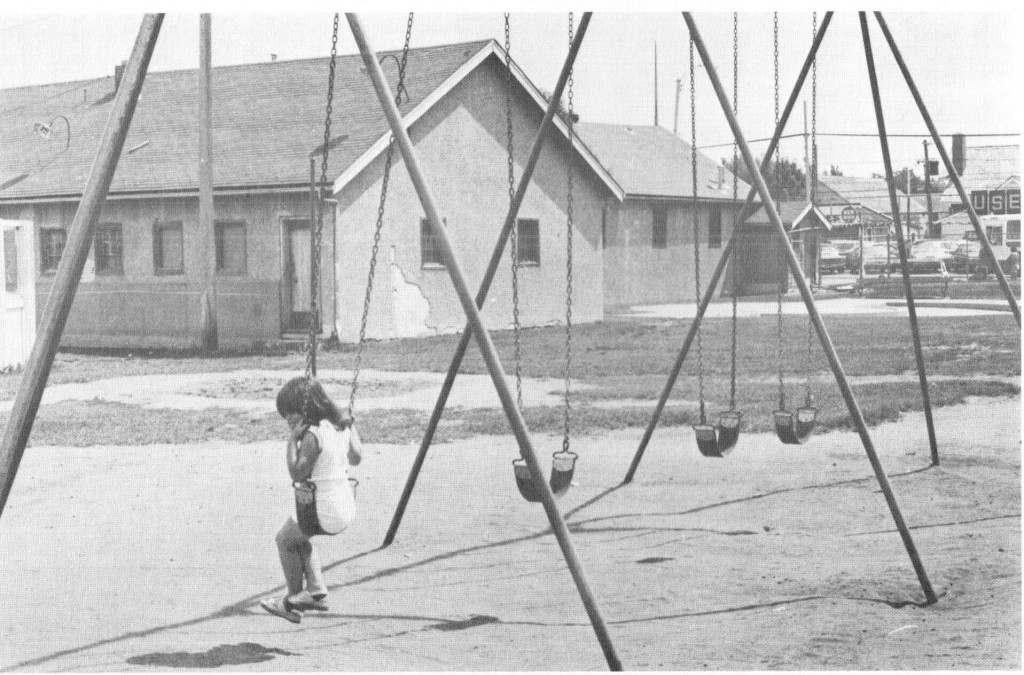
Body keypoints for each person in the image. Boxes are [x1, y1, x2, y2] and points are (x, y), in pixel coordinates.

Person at [260, 377, 362, 623]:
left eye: (291, 412)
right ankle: (316, 591)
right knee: (298, 536)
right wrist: (352, 427)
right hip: (345, 507)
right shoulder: (340, 426)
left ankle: (293, 599)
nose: (289, 419)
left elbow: (297, 472)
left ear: (307, 408)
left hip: (323, 512)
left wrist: (291, 442)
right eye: (285, 415)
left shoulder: (312, 435)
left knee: (284, 539)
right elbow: (357, 457)